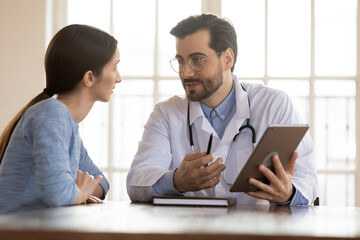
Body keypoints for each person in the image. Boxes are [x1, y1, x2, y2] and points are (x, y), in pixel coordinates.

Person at [126, 13, 318, 205]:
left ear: (227, 59)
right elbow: (136, 182)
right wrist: (176, 181)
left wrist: (288, 193)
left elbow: (307, 177)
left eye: (197, 60)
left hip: (256, 230)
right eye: (181, 61)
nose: (185, 72)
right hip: (191, 232)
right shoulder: (165, 114)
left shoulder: (274, 104)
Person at [0, 24, 121, 214]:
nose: (119, 78)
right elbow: (59, 195)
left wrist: (78, 191)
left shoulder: (66, 124)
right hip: (16, 231)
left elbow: (101, 182)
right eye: (114, 68)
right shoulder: (51, 114)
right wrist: (78, 192)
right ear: (89, 77)